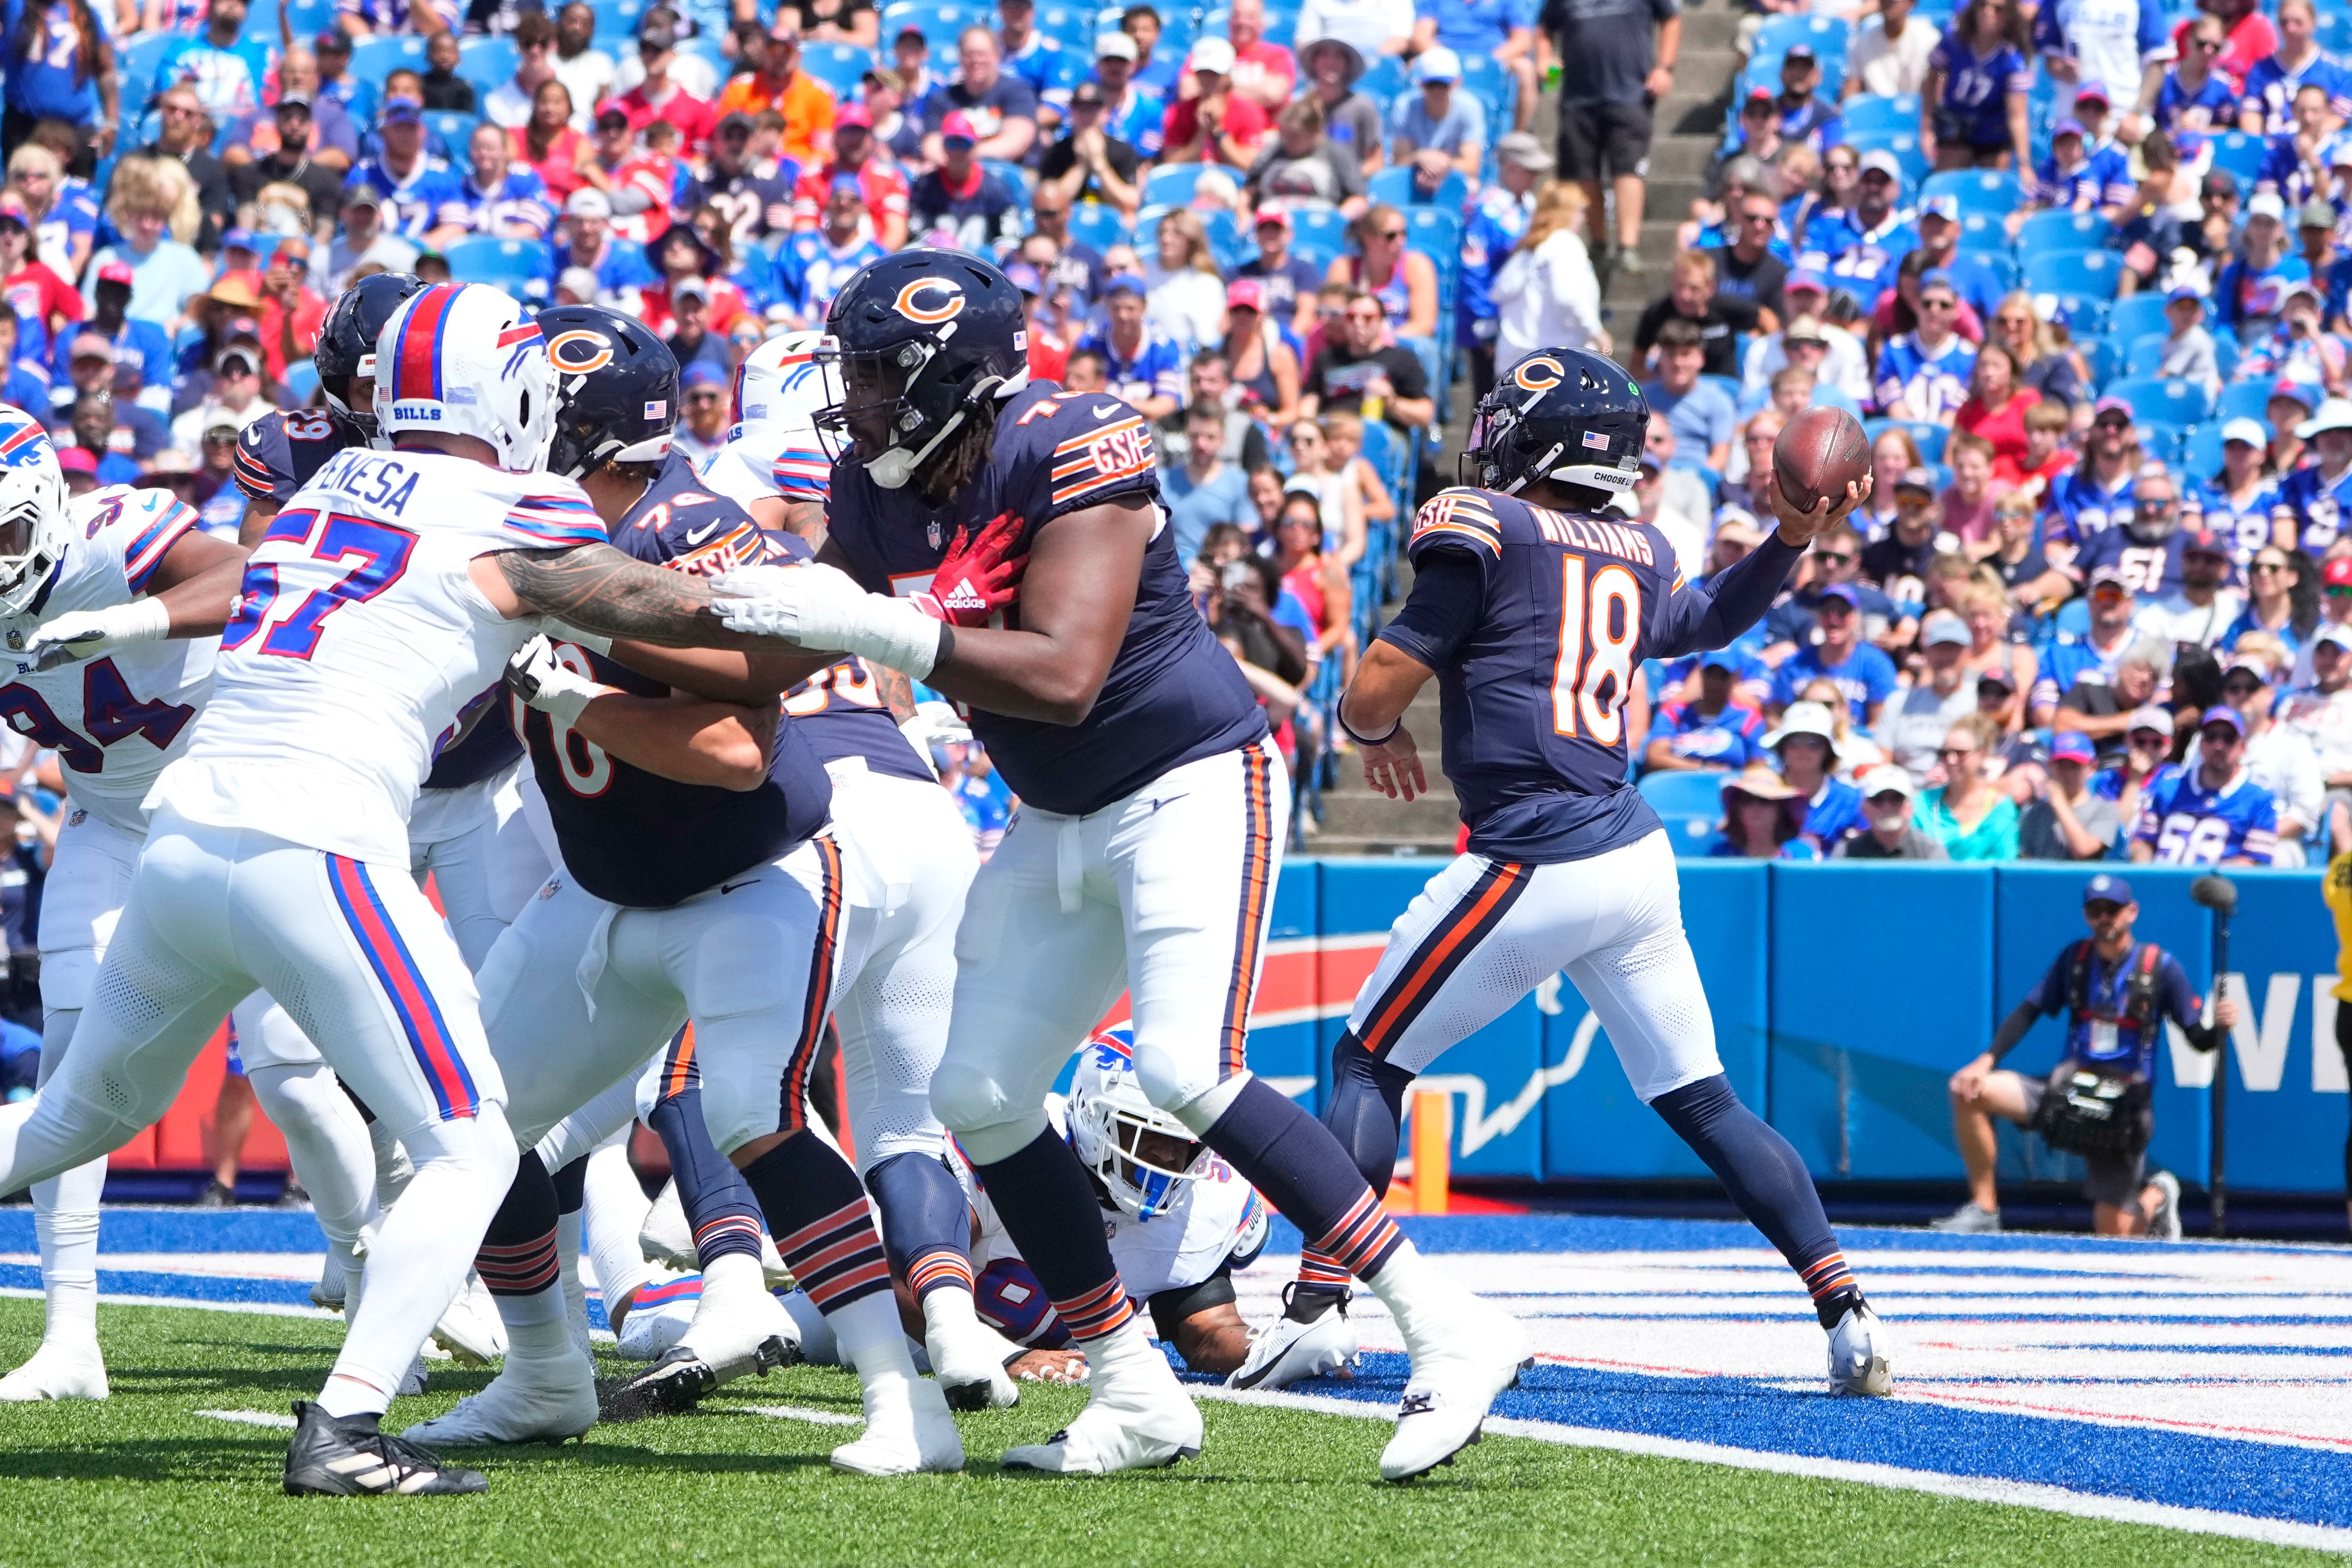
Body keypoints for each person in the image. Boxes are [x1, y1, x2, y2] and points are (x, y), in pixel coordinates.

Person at [710, 250, 1530, 1480]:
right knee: (979, 1091)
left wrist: (870, 624)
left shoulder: (1070, 439)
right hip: (1056, 810)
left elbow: (1061, 670)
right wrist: (644, 624)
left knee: (1185, 1066)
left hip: (1191, 778)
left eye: (881, 376)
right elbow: (800, 636)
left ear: (953, 379)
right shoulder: (870, 487)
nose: (858, 400)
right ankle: (1131, 1386)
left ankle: (1445, 1321)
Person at [408, 303, 1006, 1459]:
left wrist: (580, 698)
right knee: (470, 1118)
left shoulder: (687, 529)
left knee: (754, 1112)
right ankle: (544, 1376)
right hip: (601, 886)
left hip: (751, 872)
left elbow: (737, 750)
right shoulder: (535, 522)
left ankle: (902, 1395)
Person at [1248, 343, 1887, 1396]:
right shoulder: (1637, 545)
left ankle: (1316, 1308)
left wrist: (1370, 727)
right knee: (1704, 1099)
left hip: (1532, 854)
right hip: (1633, 856)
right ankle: (1847, 1313)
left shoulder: (1486, 522)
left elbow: (1376, 684)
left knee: (1368, 1063)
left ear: (1535, 439)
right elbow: (1707, 620)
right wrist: (1791, 539)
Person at [1941, 872, 2230, 1239]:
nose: (2104, 917)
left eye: (2112, 909)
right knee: (1967, 1089)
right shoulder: (2075, 959)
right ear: (2086, 915)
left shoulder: (2160, 967)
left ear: (2131, 912)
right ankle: (1984, 1208)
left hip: (2121, 1107)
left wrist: (2218, 1026)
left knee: (2115, 1236)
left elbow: (2199, 1040)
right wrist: (1987, 1060)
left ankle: (2156, 1196)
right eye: (2095, 910)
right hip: (2069, 1090)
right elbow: (2029, 1010)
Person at [1541, 0, 1676, 274]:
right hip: (1578, 99)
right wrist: (1546, 59)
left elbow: (1671, 19)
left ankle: (1628, 246)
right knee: (1583, 173)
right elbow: (1545, 28)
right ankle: (1599, 243)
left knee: (1628, 169)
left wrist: (1664, 67)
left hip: (1630, 94)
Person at [2127, 706, 2279, 865]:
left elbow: (2255, 861)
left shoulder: (2259, 796)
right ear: (2200, 744)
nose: (2218, 746)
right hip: (2162, 881)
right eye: (2211, 737)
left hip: (2220, 886)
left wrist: (2207, 882)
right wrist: (2145, 868)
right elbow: (2144, 841)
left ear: (2243, 747)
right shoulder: (2170, 785)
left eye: (2228, 738)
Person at [2227, 638, 2324, 865]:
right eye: (2234, 688)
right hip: (2215, 835)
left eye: (2251, 687)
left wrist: (2253, 843)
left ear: (2270, 694)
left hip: (2276, 841)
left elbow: (2306, 812)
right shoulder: (2207, 739)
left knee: (2278, 855)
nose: (2242, 694)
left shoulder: (2293, 743)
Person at [1491, 181, 1604, 375]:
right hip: (1554, 365)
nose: (1584, 219)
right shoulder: (1565, 243)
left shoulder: (1526, 251)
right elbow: (1567, 296)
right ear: (1565, 212)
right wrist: (1597, 333)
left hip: (1516, 363)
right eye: (1581, 211)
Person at [1921, 0, 2031, 171]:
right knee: (1950, 178)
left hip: (1993, 132)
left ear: (2009, 16)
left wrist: (2024, 164)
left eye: (1999, 10)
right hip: (1956, 127)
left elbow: (2017, 117)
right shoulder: (1954, 43)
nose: (1989, 13)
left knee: (1993, 183)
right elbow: (1930, 82)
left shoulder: (2012, 62)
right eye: (1983, 5)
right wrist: (1927, 127)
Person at [1301, 289, 1432, 433]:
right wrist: (1306, 424)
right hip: (1333, 432)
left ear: (1381, 321)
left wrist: (1392, 403)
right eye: (1351, 317)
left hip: (1377, 435)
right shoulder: (1327, 357)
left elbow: (1425, 415)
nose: (1358, 323)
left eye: (1368, 318)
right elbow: (1311, 400)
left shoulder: (1402, 359)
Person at [1874, 611, 1981, 782]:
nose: (1946, 656)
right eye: (1939, 648)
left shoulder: (1981, 700)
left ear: (1968, 653)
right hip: (1907, 794)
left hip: (1961, 791)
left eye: (1953, 648)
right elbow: (1882, 759)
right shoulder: (1899, 702)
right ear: (1926, 653)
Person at [920, 27, 1039, 166]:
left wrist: (965, 158)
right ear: (960, 58)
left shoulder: (1018, 91)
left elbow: (1017, 141)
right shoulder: (942, 99)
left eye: (982, 54)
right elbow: (931, 145)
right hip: (954, 173)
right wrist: (956, 165)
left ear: (997, 55)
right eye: (969, 54)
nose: (976, 60)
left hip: (1007, 170)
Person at [1911, 715, 2018, 859]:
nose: (1951, 760)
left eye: (1960, 753)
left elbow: (2005, 862)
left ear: (1982, 755)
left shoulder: (2000, 808)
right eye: (1945, 754)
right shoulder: (1923, 804)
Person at [1164, 402, 1258, 565]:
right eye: (1195, 436)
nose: (1201, 444)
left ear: (1223, 440)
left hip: (1218, 570)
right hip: (1172, 572)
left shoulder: (1239, 482)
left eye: (1210, 437)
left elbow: (1246, 533)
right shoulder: (1164, 480)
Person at [1328, 202, 1439, 339]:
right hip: (1354, 345)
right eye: (1391, 236)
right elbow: (1331, 319)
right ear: (1367, 238)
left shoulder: (1416, 266)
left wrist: (1381, 340)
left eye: (1404, 234)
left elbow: (1424, 324)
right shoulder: (1345, 268)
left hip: (1400, 346)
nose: (1401, 241)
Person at [1644, 648, 1765, 773]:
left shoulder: (1748, 717)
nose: (1715, 682)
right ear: (1699, 674)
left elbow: (1759, 765)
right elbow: (1655, 757)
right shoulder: (1675, 712)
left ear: (1735, 678)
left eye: (1724, 676)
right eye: (1710, 673)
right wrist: (1702, 769)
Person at [1038, 82, 1142, 218]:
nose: (1086, 116)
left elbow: (1131, 202)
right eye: (1081, 109)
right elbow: (1049, 203)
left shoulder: (1123, 150)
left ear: (1106, 114)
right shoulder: (1056, 151)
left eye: (1093, 110)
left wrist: (1100, 164)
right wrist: (1081, 166)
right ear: (1072, 113)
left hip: (1109, 221)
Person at [2017, 730, 2126, 858]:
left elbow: (2084, 850)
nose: (2068, 774)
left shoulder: (2105, 810)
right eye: (2061, 766)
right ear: (2050, 767)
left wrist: (2059, 802)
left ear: (2092, 768)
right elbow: (2026, 859)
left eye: (2075, 766)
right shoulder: (2036, 812)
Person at [1389, 47, 1484, 180]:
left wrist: (1442, 162)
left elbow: (1472, 166)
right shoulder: (1405, 106)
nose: (1438, 91)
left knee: (1472, 186)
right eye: (1431, 85)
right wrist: (1419, 158)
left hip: (1452, 178)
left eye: (1444, 85)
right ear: (1420, 84)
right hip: (1413, 177)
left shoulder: (1470, 107)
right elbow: (1399, 162)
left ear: (1457, 83)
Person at [2275, 397, 2352, 558]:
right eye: (2327, 432)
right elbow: (2284, 545)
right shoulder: (2294, 483)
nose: (2334, 439)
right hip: (2305, 575)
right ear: (2315, 439)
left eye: (2343, 432)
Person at [1833, 767, 1948, 859]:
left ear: (1910, 807)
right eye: (1878, 799)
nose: (1887, 807)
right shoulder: (1847, 854)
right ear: (1864, 808)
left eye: (1896, 799)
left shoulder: (1931, 855)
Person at [1849, 0, 1939, 99]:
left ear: (1911, 3)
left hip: (1914, 109)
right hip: (1877, 110)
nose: (1888, 3)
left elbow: (1935, 90)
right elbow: (1852, 87)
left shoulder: (1929, 39)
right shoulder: (1863, 41)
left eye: (1894, 1)